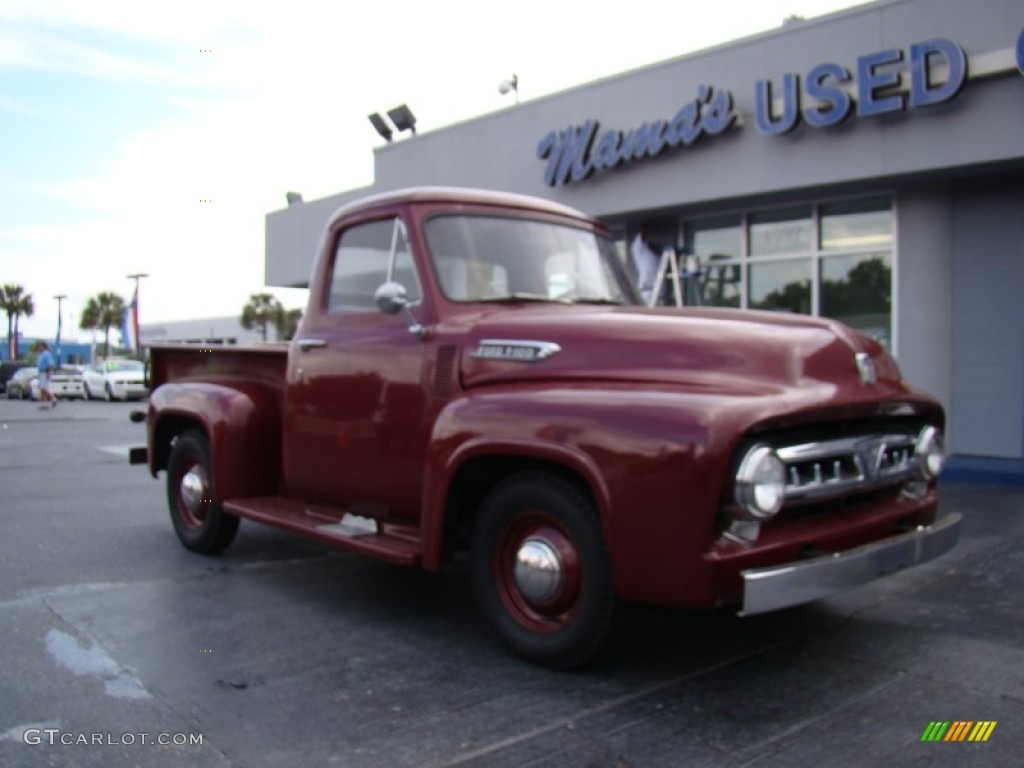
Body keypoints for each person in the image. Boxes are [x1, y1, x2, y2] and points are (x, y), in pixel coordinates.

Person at [630, 225, 660, 305]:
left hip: (658, 292)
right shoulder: (638, 248)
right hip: (646, 291)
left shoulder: (653, 255)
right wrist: (646, 226)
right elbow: (641, 234)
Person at [34, 341, 56, 410]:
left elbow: (50, 364)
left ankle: (53, 398)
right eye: (38, 347)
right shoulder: (40, 354)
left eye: (40, 346)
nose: (39, 348)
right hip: (41, 372)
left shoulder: (46, 354)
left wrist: (49, 372)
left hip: (45, 372)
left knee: (44, 388)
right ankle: (44, 404)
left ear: (44, 347)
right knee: (42, 389)